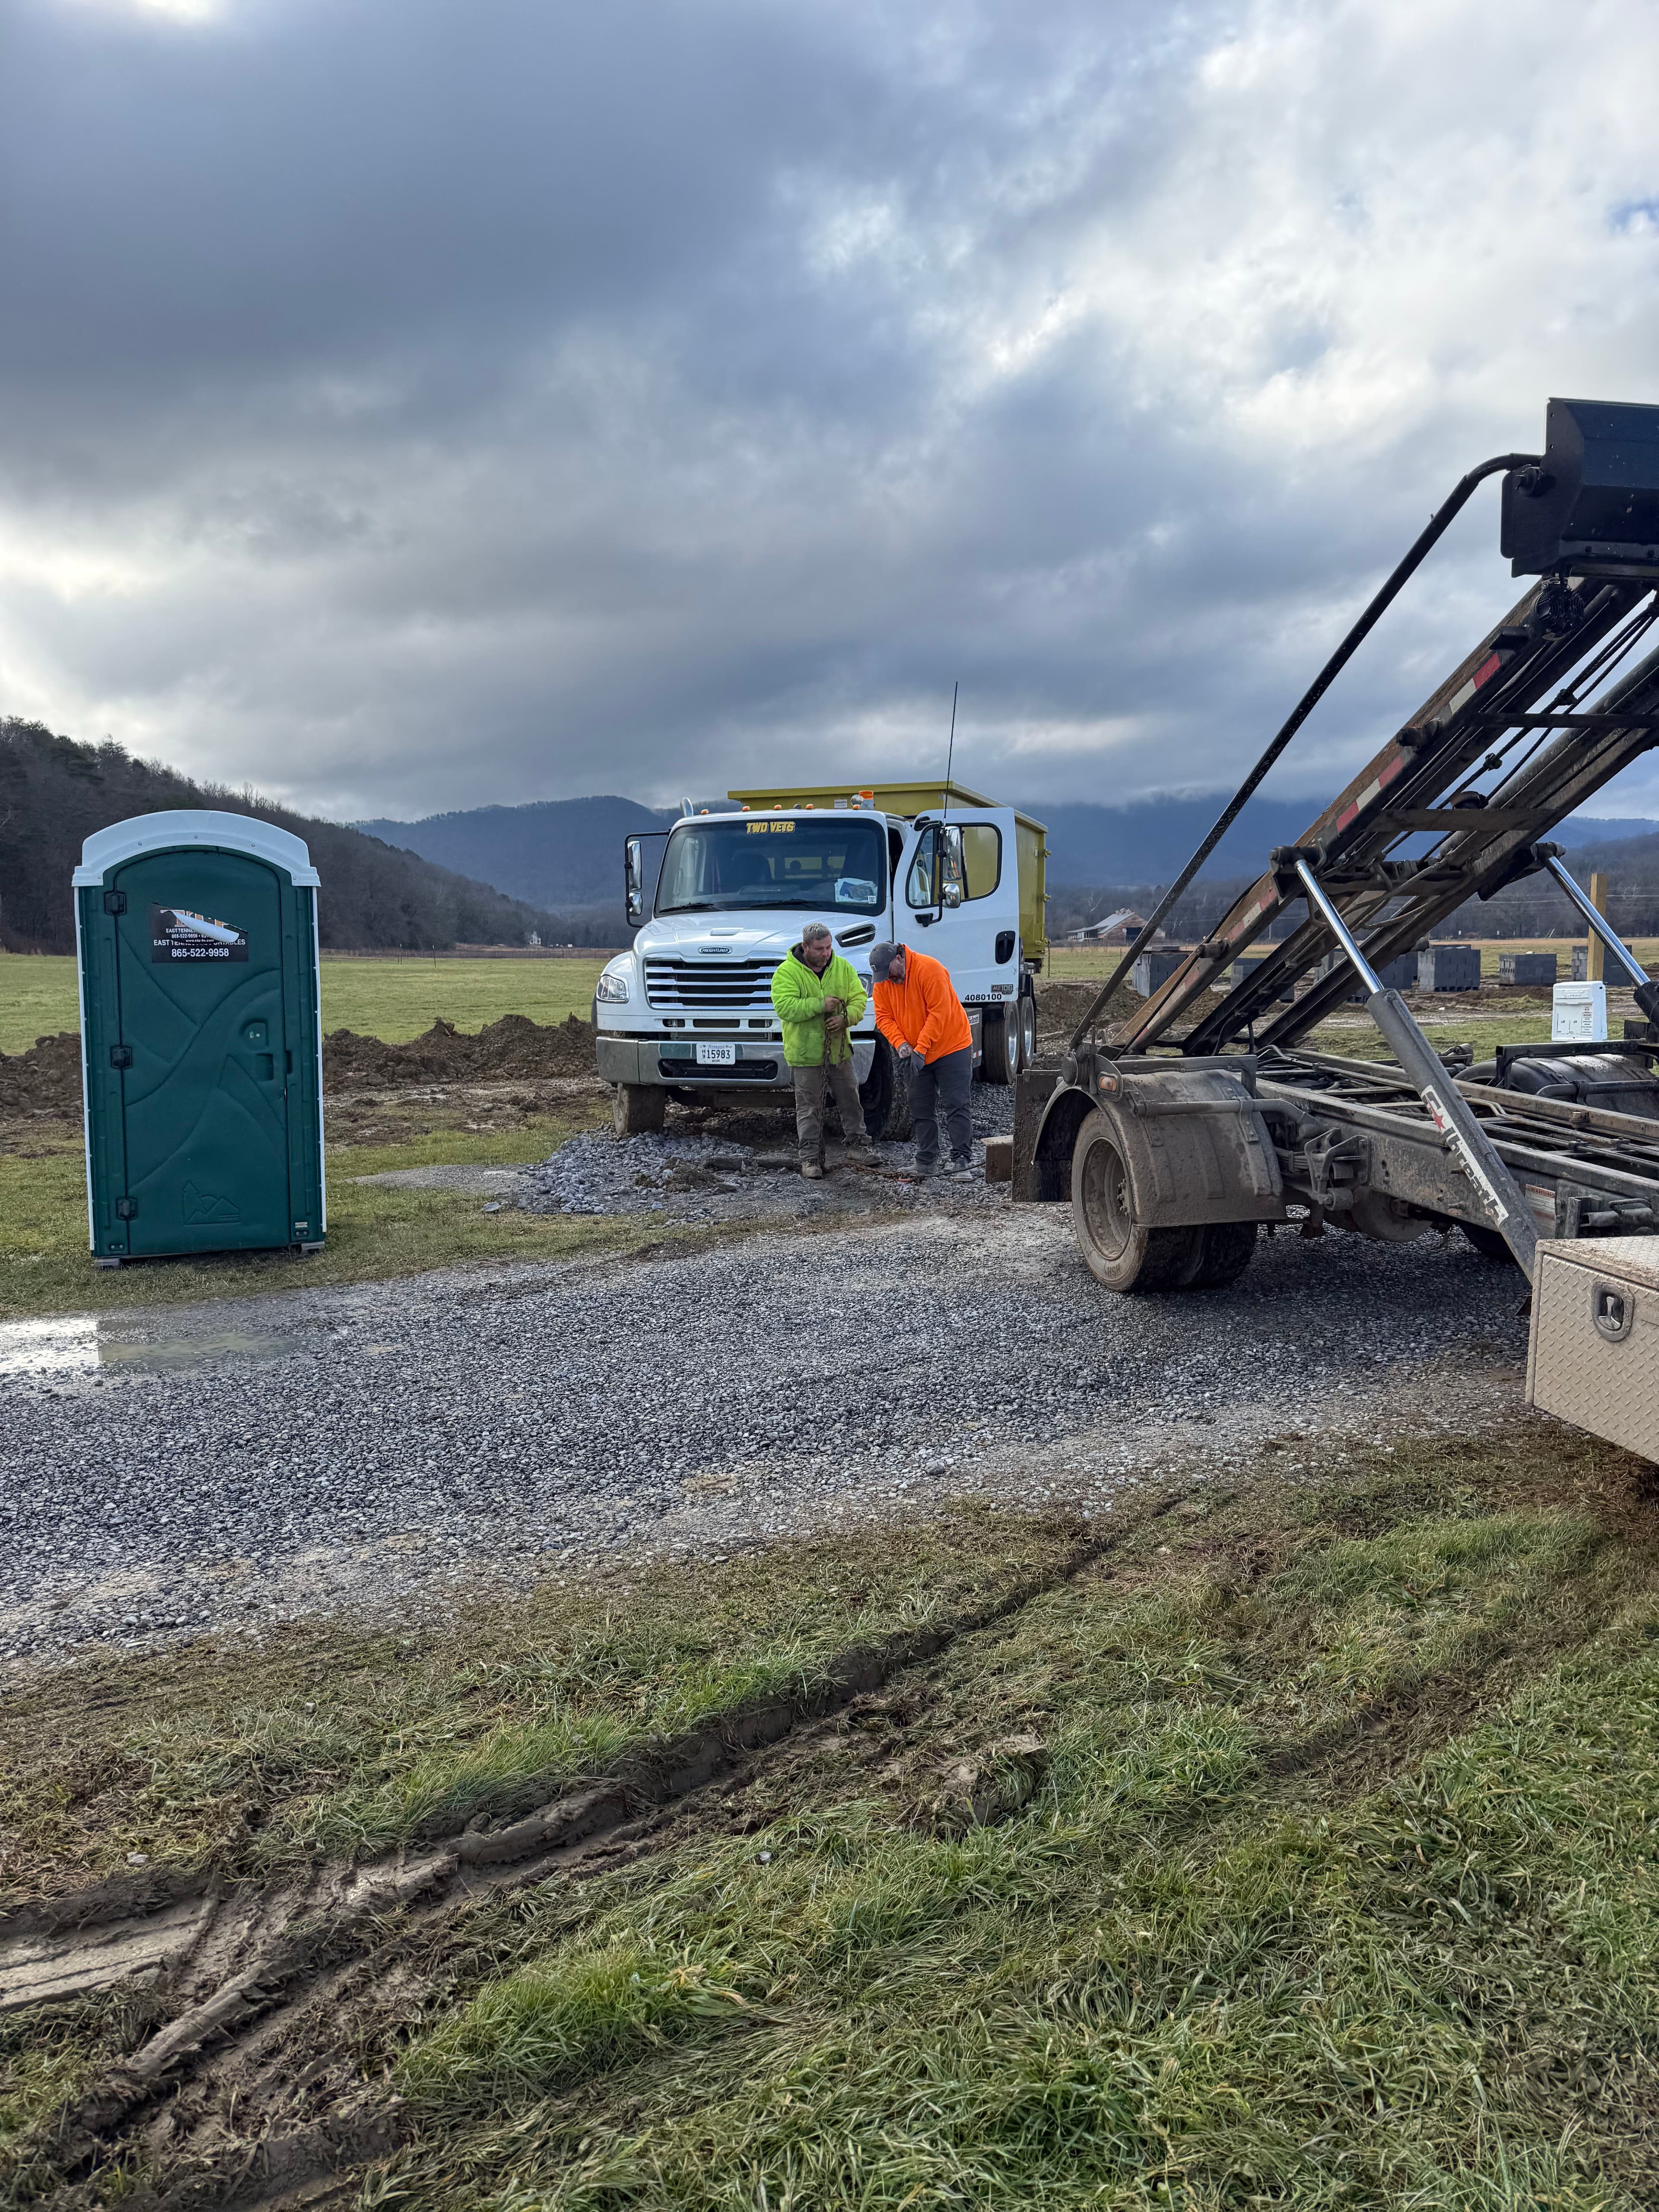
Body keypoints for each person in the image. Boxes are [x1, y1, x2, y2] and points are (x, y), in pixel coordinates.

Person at [770, 922, 875, 1179]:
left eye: (829, 948)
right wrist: (821, 1005)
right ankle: (811, 1159)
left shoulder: (843, 968)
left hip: (838, 1051)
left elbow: (860, 998)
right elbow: (785, 1007)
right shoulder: (786, 973)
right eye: (820, 949)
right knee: (809, 1108)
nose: (826, 953)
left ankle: (858, 1147)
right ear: (805, 947)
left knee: (851, 1098)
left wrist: (846, 1018)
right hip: (805, 1055)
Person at [866, 941, 975, 1180]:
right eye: (882, 976)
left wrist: (921, 1049)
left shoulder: (930, 970)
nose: (887, 979)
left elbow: (940, 1014)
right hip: (915, 1051)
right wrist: (901, 1045)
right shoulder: (883, 982)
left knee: (956, 1104)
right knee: (920, 1107)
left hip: (952, 1047)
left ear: (899, 958)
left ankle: (961, 1159)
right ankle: (926, 1161)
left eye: (889, 973)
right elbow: (883, 1017)